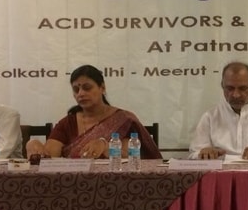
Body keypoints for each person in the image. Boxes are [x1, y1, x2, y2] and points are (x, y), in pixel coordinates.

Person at [26, 64, 160, 159]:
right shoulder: (67, 123)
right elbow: (50, 156)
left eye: (87, 87)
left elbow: (129, 156)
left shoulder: (123, 120)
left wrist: (105, 146)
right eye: (76, 89)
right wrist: (34, 145)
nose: (81, 93)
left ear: (102, 88)